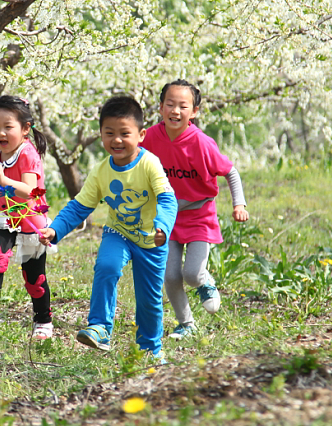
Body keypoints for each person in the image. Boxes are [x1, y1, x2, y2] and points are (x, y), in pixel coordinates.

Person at [38, 96, 177, 356]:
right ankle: (99, 328)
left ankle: (150, 349)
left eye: (125, 133)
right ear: (101, 135)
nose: (117, 140)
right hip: (119, 233)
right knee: (106, 266)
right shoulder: (101, 171)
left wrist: (163, 226)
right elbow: (80, 206)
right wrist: (55, 229)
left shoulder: (149, 164)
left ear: (141, 134)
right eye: (109, 133)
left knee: (149, 301)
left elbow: (167, 199)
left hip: (152, 239)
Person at [141, 79, 249, 340]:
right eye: (170, 104)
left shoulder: (202, 143)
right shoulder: (151, 137)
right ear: (160, 107)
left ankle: (204, 281)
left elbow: (230, 172)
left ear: (194, 112)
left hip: (199, 215)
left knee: (191, 274)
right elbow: (134, 161)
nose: (175, 111)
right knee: (170, 274)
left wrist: (239, 204)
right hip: (167, 216)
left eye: (183, 106)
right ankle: (186, 324)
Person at [0, 95, 54, 340]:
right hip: (4, 212)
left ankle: (43, 321)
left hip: (29, 216)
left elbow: (29, 190)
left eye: (8, 127)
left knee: (33, 277)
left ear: (25, 129)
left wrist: (4, 180)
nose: (1, 132)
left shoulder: (29, 155)